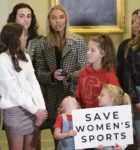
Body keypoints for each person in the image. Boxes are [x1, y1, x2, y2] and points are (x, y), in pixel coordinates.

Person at [34, 4, 88, 149]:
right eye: (53, 18)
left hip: (73, 97)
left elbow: (85, 70)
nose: (58, 21)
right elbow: (38, 73)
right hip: (52, 99)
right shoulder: (42, 44)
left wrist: (70, 76)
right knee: (58, 139)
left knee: (76, 138)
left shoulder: (78, 41)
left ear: (66, 20)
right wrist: (52, 75)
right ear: (49, 21)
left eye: (61, 17)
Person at [0, 23, 48, 150]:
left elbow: (34, 84)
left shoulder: (25, 57)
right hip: (15, 112)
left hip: (33, 111)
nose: (26, 38)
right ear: (15, 38)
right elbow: (14, 92)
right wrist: (36, 110)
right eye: (24, 35)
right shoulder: (1, 60)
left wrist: (41, 109)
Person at [124, 2, 140, 150]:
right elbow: (128, 77)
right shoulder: (132, 46)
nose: (136, 21)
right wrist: (136, 102)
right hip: (139, 98)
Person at [75, 35, 120, 109]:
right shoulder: (83, 72)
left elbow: (116, 101)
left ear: (103, 53)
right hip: (85, 116)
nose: (88, 53)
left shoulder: (110, 75)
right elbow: (78, 97)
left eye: (92, 50)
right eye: (88, 49)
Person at [97, 84, 131, 150]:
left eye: (102, 95)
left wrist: (121, 146)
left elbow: (124, 134)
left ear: (111, 99)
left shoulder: (121, 117)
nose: (98, 97)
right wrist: (97, 146)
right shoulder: (96, 116)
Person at [116, 9, 140, 90]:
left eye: (138, 23)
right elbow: (119, 72)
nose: (133, 26)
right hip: (127, 91)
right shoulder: (124, 45)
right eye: (132, 22)